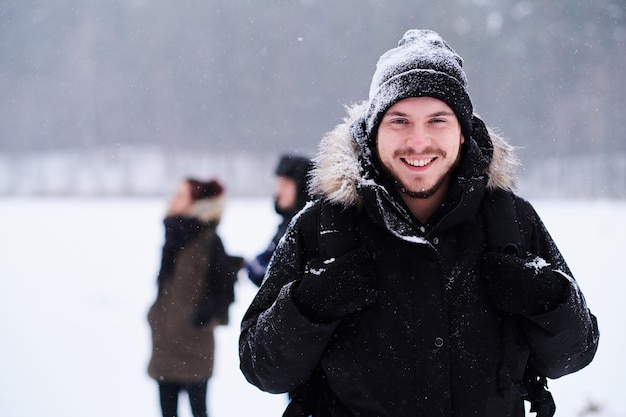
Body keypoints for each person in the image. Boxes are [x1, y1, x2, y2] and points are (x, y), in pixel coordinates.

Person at [238, 29, 599, 417]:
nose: (419, 141)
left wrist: (548, 300)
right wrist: (309, 305)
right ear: (373, 132)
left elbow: (574, 355)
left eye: (438, 120)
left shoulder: (512, 221)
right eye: (399, 121)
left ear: (463, 133)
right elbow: (262, 369)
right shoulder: (321, 226)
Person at [148, 177, 242, 417]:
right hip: (165, 343)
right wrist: (155, 315)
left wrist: (200, 316)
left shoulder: (210, 241)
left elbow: (226, 291)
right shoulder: (173, 237)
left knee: (199, 412)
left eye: (181, 195)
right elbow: (165, 288)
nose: (174, 199)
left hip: (193, 347)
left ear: (196, 203)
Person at [244, 154, 312, 286]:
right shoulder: (287, 224)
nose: (278, 191)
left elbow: (276, 278)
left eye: (285, 185)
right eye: (279, 184)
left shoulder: (305, 228)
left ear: (302, 187)